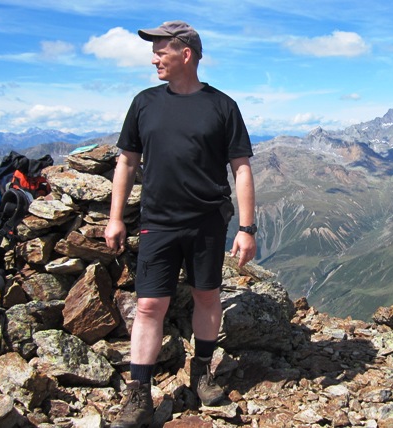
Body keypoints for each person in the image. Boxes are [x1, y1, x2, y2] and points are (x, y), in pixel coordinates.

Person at [104, 20, 257, 428]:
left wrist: (247, 228)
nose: (154, 58)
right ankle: (139, 393)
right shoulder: (144, 103)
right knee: (150, 304)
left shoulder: (222, 106)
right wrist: (115, 217)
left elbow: (241, 168)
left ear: (185, 54)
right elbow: (127, 162)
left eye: (160, 51)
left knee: (207, 297)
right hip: (159, 220)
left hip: (207, 221)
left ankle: (202, 370)